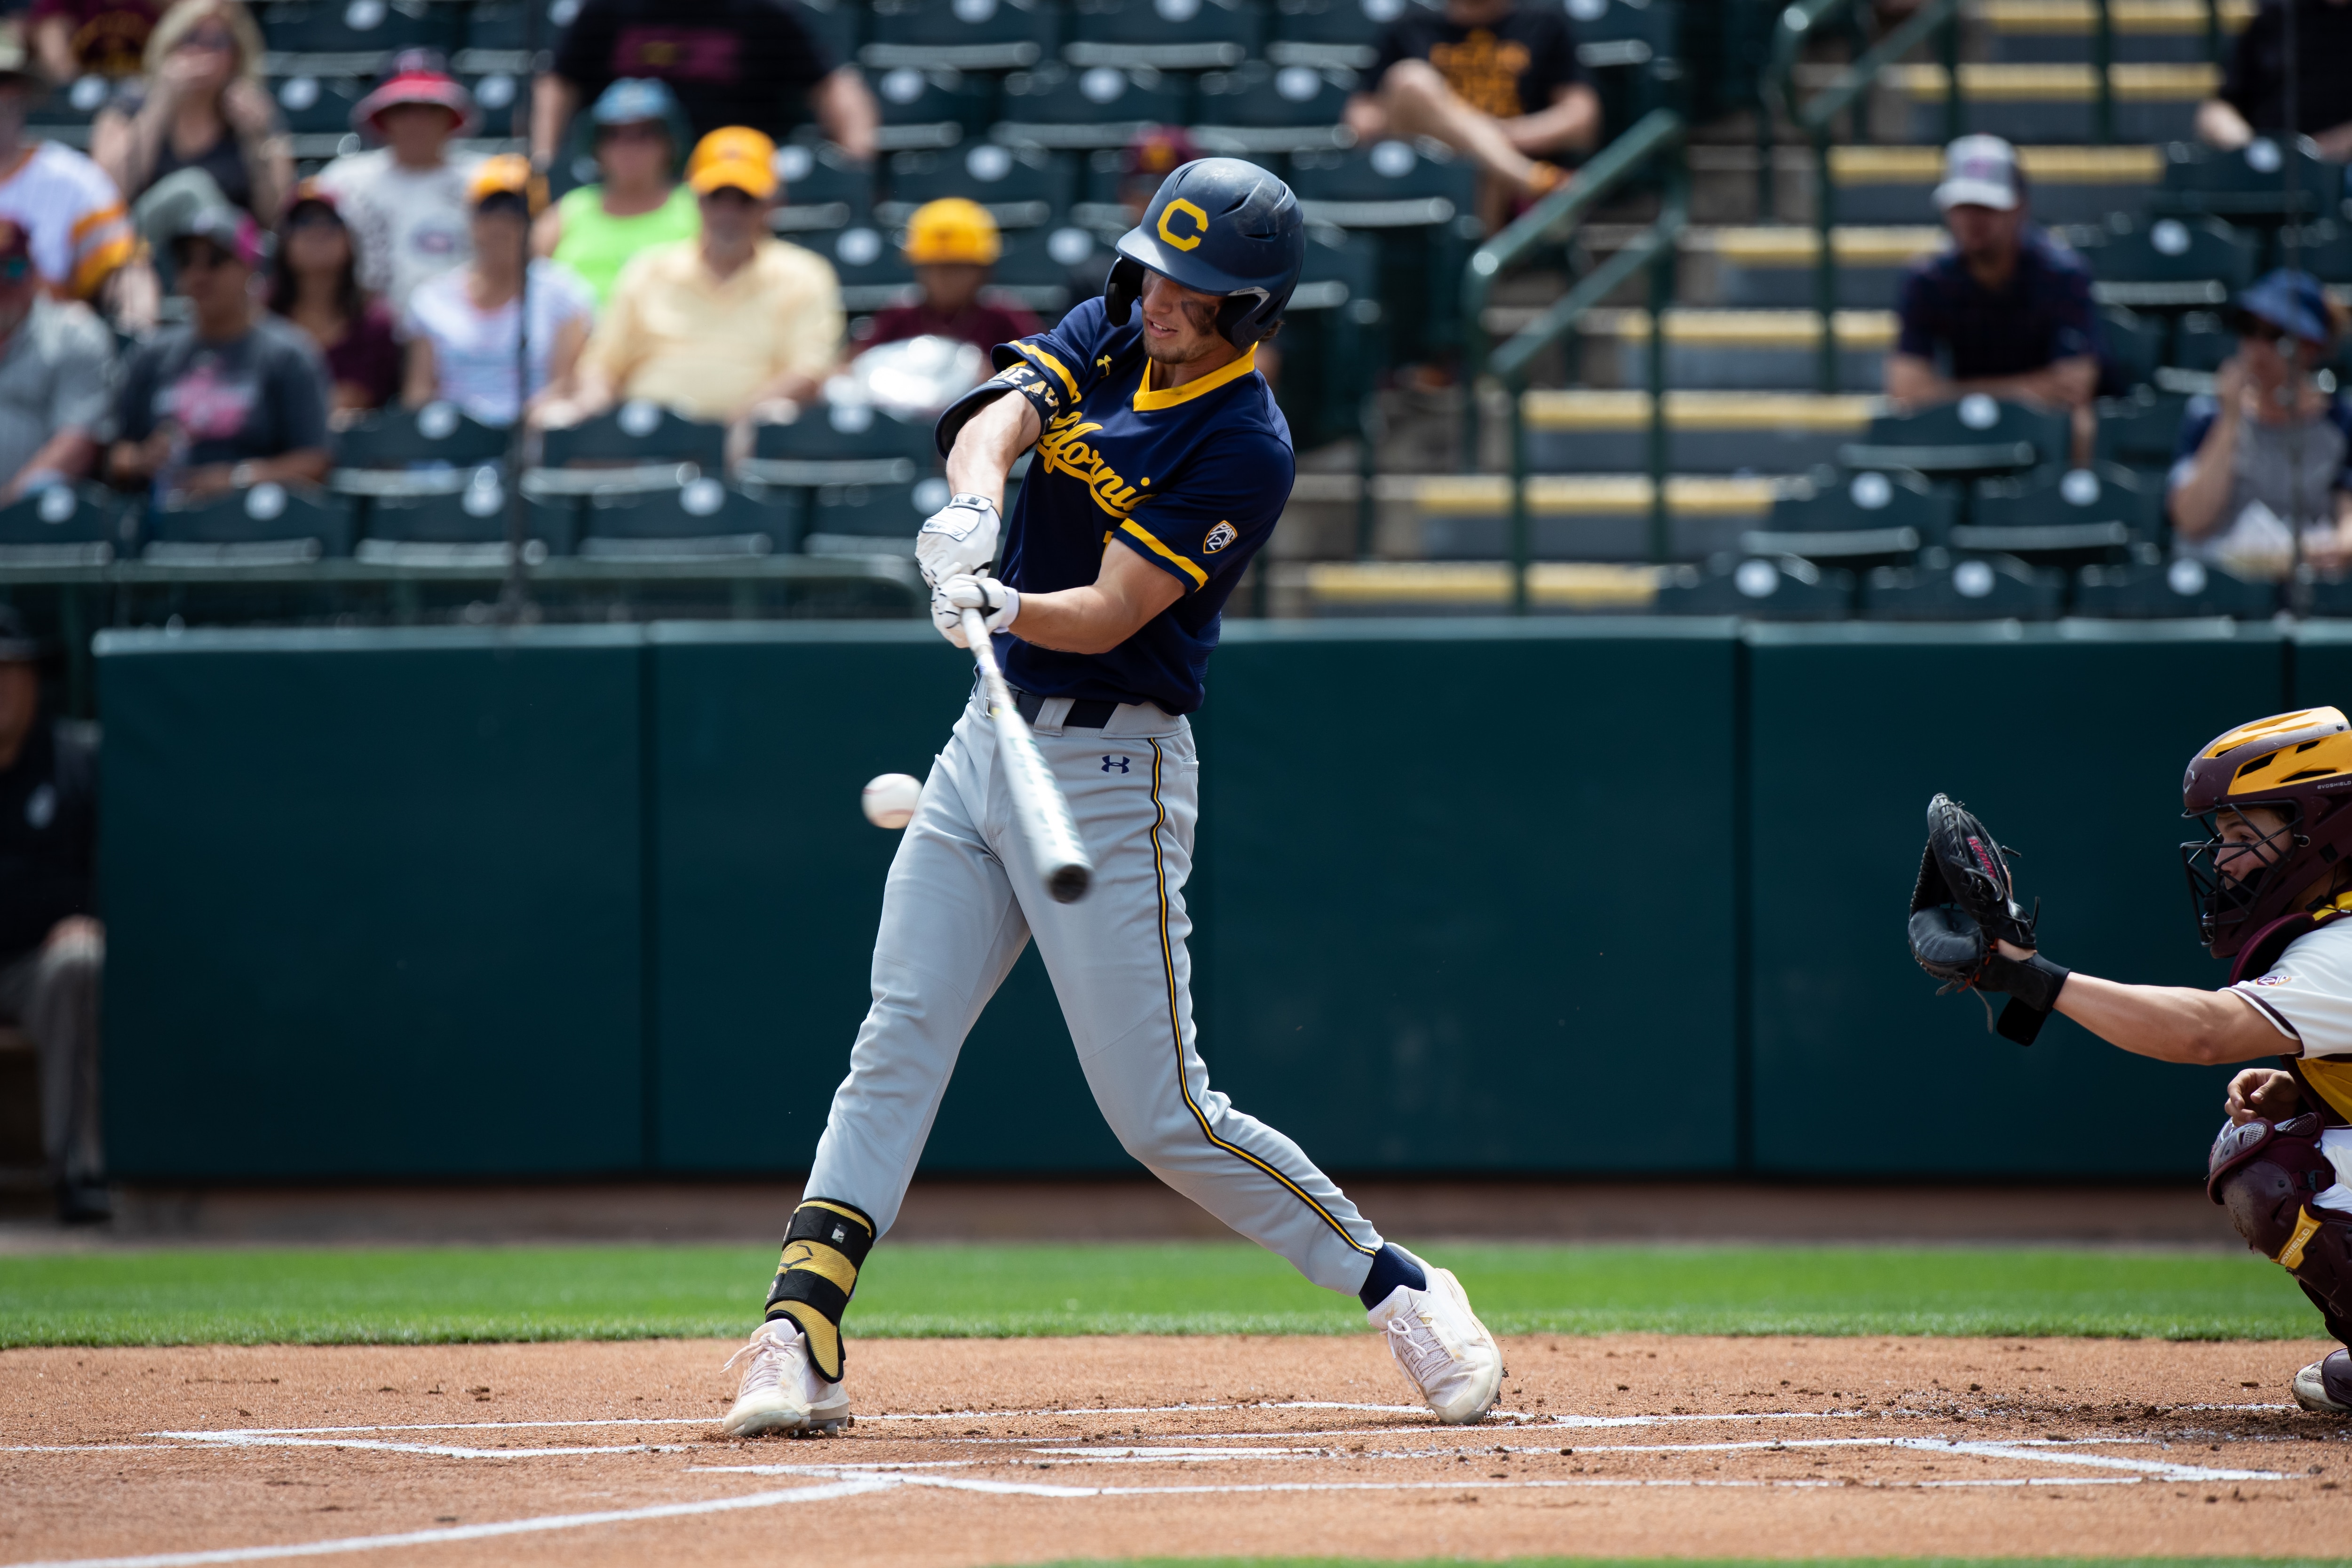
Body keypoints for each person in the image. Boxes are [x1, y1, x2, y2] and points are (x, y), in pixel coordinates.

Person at [716, 158, 1503, 1440]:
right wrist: (973, 510)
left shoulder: (1246, 445)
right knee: (899, 1032)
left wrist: (1006, 601)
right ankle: (797, 1328)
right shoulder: (1117, 322)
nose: (1163, 303)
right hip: (988, 742)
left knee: (1162, 1111)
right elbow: (996, 417)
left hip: (1109, 767)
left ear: (1251, 311)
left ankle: (1398, 1281)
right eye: (1157, 275)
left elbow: (1115, 611)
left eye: (1196, 291)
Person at [1912, 708, 2352, 1415]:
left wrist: (2038, 980)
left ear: (2323, 826)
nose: (2225, 856)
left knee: (2272, 1165)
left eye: (2246, 834)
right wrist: (2308, 1094)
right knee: (2294, 1131)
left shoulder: (2343, 945)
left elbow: (2203, 1033)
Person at [563, 126, 841, 424]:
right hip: (650, 431)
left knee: (776, 414)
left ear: (771, 205)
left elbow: (810, 370)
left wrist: (736, 423)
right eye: (717, 197)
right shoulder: (650, 269)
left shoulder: (804, 273)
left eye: (744, 199)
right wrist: (592, 410)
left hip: (753, 433)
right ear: (695, 199)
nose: (729, 212)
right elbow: (603, 363)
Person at [1886, 135, 2100, 461]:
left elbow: (2074, 388)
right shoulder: (1927, 280)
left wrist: (1950, 395)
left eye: (1987, 206)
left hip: (2043, 428)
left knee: (2082, 426)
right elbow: (1906, 393)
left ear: (2019, 207)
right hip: (1964, 428)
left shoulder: (2063, 274)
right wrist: (2026, 390)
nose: (1973, 219)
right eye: (1963, 206)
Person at [108, 203, 330, 504]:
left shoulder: (288, 355)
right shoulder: (152, 355)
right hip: (166, 526)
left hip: (256, 528)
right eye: (187, 262)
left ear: (249, 267)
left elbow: (315, 461)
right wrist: (142, 459)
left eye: (216, 260)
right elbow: (115, 455)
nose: (200, 274)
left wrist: (237, 478)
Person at [0, 605, 103, 1224]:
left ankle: (80, 1171)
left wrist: (89, 915)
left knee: (81, 960)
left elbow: (116, 864)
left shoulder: (74, 764)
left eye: (9, 671)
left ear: (34, 679)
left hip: (38, 963)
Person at [2168, 270, 2352, 580]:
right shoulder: (2207, 415)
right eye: (2248, 329)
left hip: (2305, 582)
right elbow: (2190, 519)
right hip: (2220, 587)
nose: (2257, 348)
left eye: (2274, 335)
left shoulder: (2341, 421)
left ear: (2310, 347)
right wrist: (2229, 420)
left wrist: (2336, 546)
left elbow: (2348, 523)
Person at [530, 0, 875, 164]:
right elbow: (558, 83)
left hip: (732, 178)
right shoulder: (611, 9)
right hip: (632, 178)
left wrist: (857, 165)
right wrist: (543, 159)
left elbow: (833, 84)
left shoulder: (764, 12)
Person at [1343, 0, 1600, 218]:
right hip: (1430, 171)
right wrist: (1437, 121)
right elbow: (1360, 122)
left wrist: (1488, 138)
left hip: (1502, 187)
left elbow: (1581, 120)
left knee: (1482, 169)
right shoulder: (1408, 28)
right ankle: (1529, 179)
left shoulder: (1545, 24)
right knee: (1411, 80)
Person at [403, 157, 593, 429]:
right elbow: (419, 393)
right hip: (454, 440)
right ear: (472, 217)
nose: (502, 222)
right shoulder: (432, 299)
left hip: (533, 436)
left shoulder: (565, 293)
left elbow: (565, 385)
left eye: (517, 209)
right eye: (491, 208)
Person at [311, 51, 478, 313]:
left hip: (464, 332)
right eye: (403, 109)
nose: (417, 121)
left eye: (431, 108)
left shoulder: (485, 178)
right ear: (382, 116)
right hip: (370, 332)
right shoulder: (343, 180)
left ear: (451, 115)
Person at [89, 0, 288, 220]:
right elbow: (105, 197)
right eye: (191, 38)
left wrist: (256, 139)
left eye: (218, 42)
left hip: (228, 249)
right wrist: (160, 106)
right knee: (189, 189)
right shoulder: (130, 105)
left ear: (237, 55)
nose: (202, 51)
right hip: (148, 246)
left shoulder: (256, 112)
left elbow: (277, 217)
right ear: (169, 45)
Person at [532, 77, 698, 309]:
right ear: (596, 146)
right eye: (614, 135)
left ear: (670, 143)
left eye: (645, 133)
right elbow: (526, 284)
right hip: (581, 341)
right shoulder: (568, 211)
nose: (629, 146)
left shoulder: (699, 208)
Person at [0, 31, 135, 305]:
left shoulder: (74, 179)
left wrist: (135, 321)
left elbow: (127, 272)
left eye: (5, 83)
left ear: (23, 93)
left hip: (41, 339)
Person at [266, 181, 400, 420]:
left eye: (332, 222)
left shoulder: (375, 323)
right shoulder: (262, 315)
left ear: (352, 240)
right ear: (284, 241)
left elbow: (360, 402)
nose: (318, 231)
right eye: (303, 222)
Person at [0, 218, 110, 498]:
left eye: (11, 268)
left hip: (36, 521)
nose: (2, 283)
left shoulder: (73, 334)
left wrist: (9, 505)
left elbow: (76, 444)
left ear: (34, 271)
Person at [854, 198, 1037, 354]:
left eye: (955, 268)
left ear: (983, 271)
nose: (941, 279)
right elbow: (857, 367)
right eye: (931, 267)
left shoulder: (1004, 318)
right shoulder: (899, 315)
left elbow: (1040, 374)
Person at [2195, 0, 2352, 162]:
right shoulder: (2276, 14)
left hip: (2339, 168)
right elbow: (2219, 108)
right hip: (2264, 166)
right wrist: (2250, 148)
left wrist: (2322, 151)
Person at [30, 0, 159, 82]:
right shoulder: (67, 5)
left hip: (145, 91)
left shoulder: (157, 5)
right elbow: (55, 54)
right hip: (83, 93)